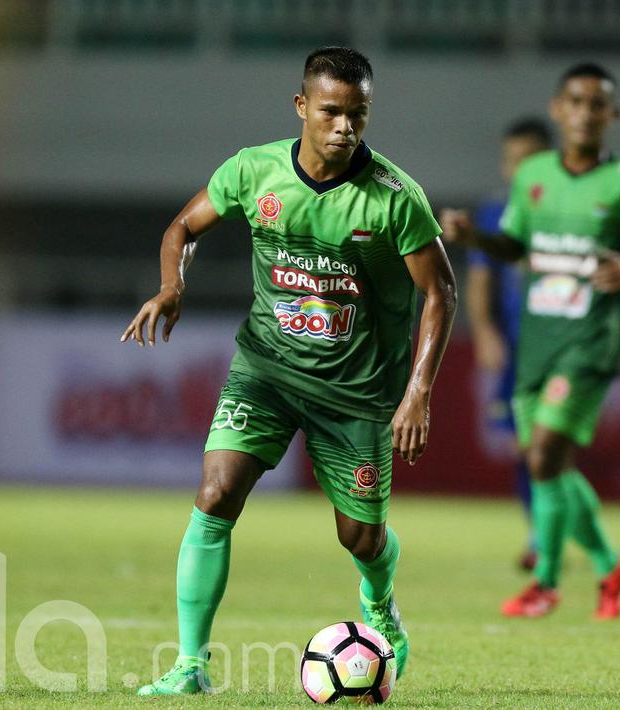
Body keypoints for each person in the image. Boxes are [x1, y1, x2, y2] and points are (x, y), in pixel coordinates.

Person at [122, 46, 457, 695]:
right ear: (302, 106)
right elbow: (183, 228)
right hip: (267, 370)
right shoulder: (254, 171)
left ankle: (380, 604)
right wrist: (171, 286)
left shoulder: (393, 198)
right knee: (216, 493)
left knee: (358, 537)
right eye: (331, 112)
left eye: (357, 114)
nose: (344, 127)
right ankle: (190, 666)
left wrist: (417, 393)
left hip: (356, 393)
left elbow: (439, 292)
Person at [442, 63, 620, 619]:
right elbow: (511, 246)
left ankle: (546, 583)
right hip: (539, 339)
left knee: (547, 450)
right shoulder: (534, 176)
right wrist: (472, 235)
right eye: (575, 102)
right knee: (545, 460)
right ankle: (610, 561)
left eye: (597, 104)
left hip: (593, 339)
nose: (585, 112)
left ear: (613, 115)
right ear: (559, 110)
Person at [468, 118, 620, 575]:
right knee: (531, 449)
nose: (518, 168)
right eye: (511, 161)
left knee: (546, 447)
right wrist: (484, 330)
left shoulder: (583, 201)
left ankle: (547, 545)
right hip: (522, 348)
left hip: (574, 340)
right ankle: (583, 549)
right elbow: (482, 276)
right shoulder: (495, 213)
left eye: (528, 159)